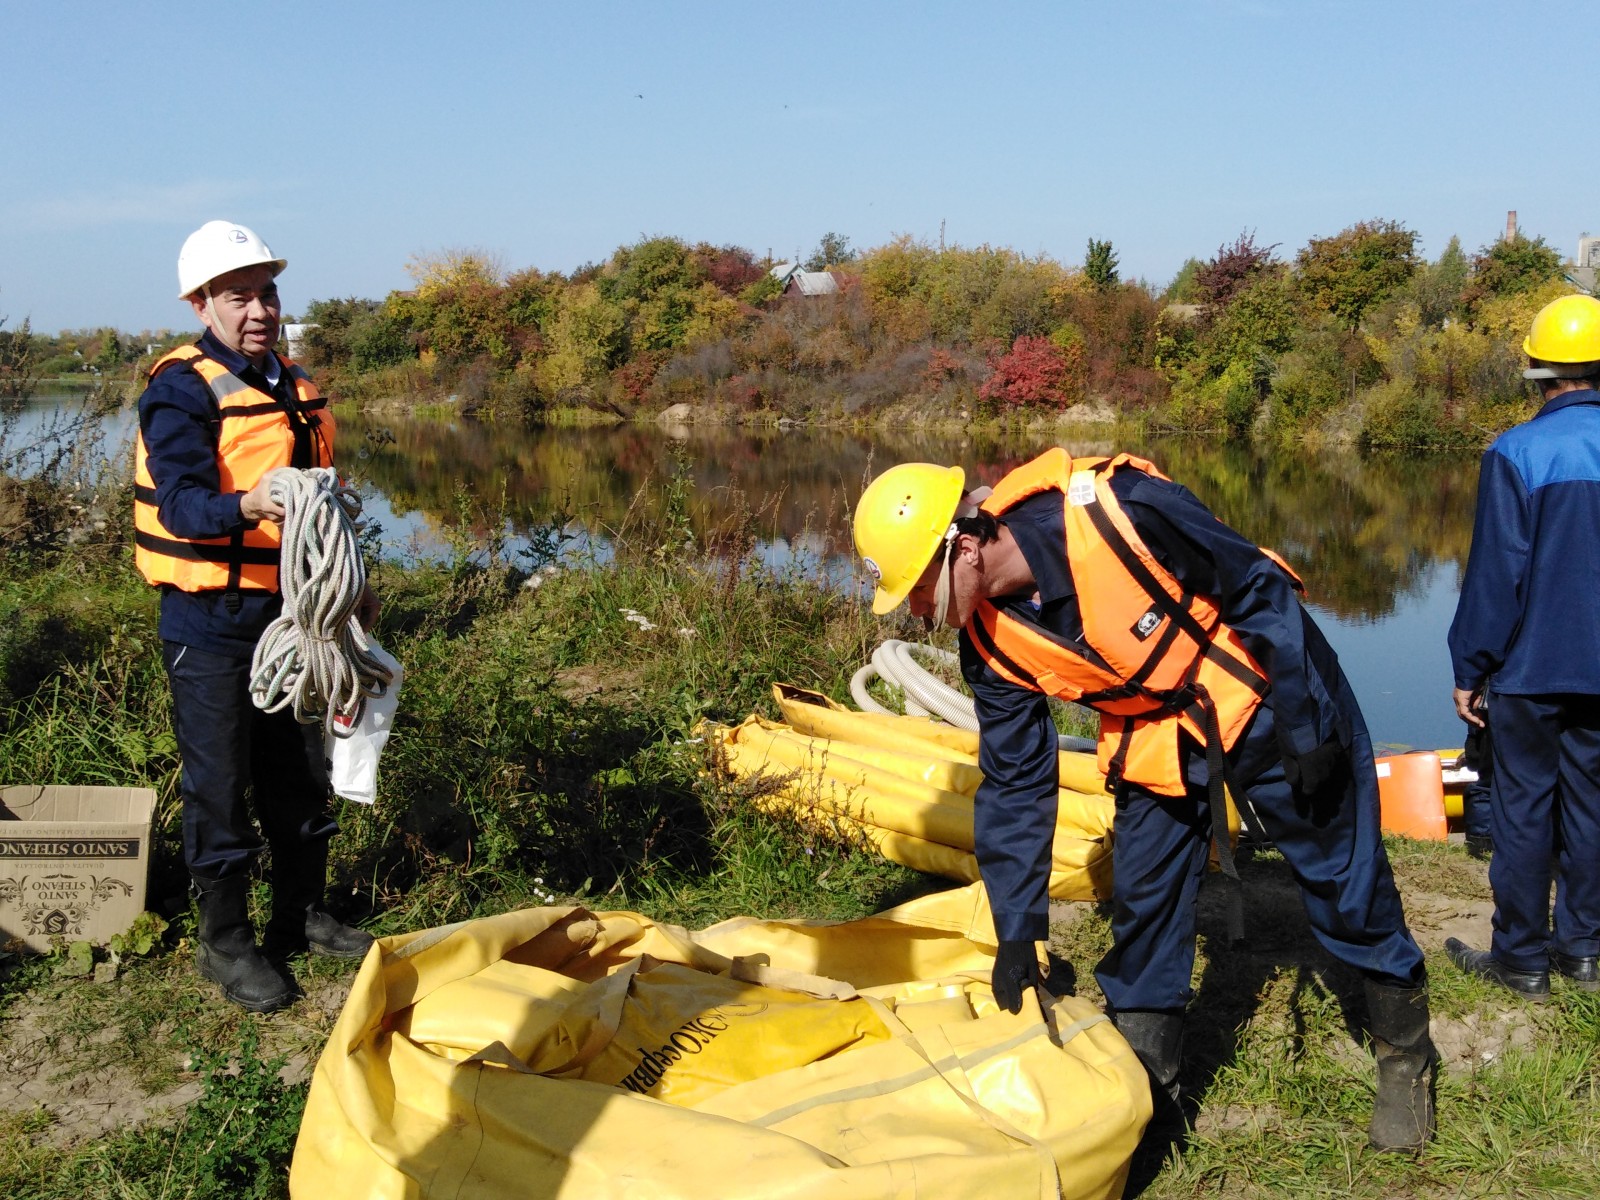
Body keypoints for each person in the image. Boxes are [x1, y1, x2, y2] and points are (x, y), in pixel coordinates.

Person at [853, 451, 1435, 1152]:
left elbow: (1258, 587)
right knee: (1145, 898)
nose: (917, 611)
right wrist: (1016, 926)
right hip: (1156, 733)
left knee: (1344, 875)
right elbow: (1015, 783)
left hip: (1265, 694)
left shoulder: (1121, 508)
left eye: (918, 589)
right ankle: (1149, 1092)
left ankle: (1405, 1054)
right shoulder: (990, 648)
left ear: (966, 548)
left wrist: (1308, 731)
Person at [135, 221, 376, 1012]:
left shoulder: (294, 385)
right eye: (239, 295)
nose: (259, 309)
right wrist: (252, 501)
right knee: (220, 783)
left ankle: (301, 915)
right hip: (209, 622)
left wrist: (351, 582)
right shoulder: (180, 389)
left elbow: (323, 516)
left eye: (266, 292)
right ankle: (226, 941)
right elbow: (181, 504)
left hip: (295, 617)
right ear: (202, 303)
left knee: (298, 776)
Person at [1445, 293, 1600, 1000]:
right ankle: (1585, 953)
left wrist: (1470, 668)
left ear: (1539, 369)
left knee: (1524, 807)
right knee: (1593, 808)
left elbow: (1495, 577)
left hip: (1531, 671)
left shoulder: (1516, 452)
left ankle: (1522, 961)